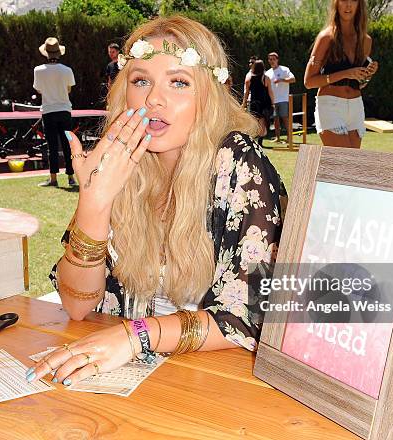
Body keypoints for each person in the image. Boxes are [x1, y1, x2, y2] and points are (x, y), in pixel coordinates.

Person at [27, 15, 286, 385]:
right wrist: (94, 204)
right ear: (124, 92)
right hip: (134, 376)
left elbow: (249, 315)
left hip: (215, 380)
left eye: (179, 82)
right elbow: (77, 305)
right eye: (141, 80)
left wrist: (136, 335)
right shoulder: (120, 164)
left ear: (208, 97)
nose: (154, 99)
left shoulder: (237, 160)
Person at [303, 0, 379, 148]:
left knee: (352, 167)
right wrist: (345, 73)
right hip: (331, 106)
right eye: (344, 0)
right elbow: (309, 81)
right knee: (343, 163)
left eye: (353, 1)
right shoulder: (326, 37)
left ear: (359, 5)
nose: (348, 5)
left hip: (356, 106)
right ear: (336, 4)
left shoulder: (365, 40)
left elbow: (360, 84)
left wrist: (367, 74)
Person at [33, 37, 77, 187]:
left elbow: (39, 90)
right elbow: (69, 89)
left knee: (51, 145)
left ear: (46, 53)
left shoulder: (38, 71)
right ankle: (71, 177)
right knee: (67, 145)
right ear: (59, 53)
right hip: (64, 110)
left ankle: (53, 179)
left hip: (48, 110)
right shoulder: (67, 70)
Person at [242, 60, 274, 147]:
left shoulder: (249, 79)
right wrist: (273, 103)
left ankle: (253, 141)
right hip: (264, 103)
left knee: (254, 123)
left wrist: (244, 103)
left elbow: (246, 92)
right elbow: (270, 91)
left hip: (254, 103)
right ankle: (259, 141)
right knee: (263, 123)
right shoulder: (265, 78)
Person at [266, 52, 295, 143]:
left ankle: (289, 137)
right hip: (273, 100)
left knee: (285, 118)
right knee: (276, 120)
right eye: (270, 59)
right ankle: (277, 138)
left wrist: (281, 80)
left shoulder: (284, 69)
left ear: (277, 60)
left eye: (273, 59)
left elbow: (293, 79)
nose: (272, 61)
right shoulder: (267, 73)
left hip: (283, 99)